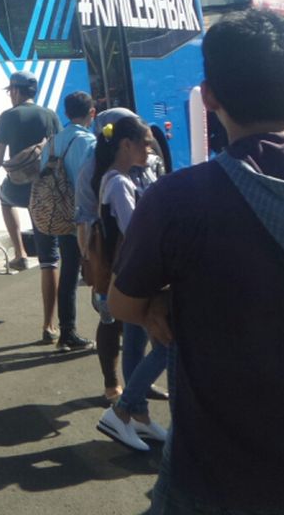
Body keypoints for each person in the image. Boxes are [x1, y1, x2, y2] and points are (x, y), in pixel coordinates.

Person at [111, 9, 284, 512]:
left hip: (212, 475)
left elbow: (121, 304)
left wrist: (159, 301)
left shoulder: (177, 200)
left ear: (208, 98)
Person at [89, 114, 169, 452]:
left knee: (137, 344)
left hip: (127, 275)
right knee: (167, 343)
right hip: (136, 274)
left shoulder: (118, 177)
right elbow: (135, 230)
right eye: (145, 143)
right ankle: (123, 410)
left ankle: (136, 414)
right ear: (126, 145)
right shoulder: (120, 183)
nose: (150, 148)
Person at [0, 70, 60, 314]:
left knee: (5, 200)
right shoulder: (49, 115)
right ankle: (51, 322)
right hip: (44, 187)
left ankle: (20, 252)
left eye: (10, 91)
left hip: (18, 186)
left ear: (15, 91)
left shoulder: (8, 116)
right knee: (49, 258)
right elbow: (58, 151)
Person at [33, 91, 97, 352]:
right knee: (100, 270)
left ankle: (67, 330)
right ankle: (112, 323)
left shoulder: (52, 142)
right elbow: (93, 181)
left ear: (67, 113)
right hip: (84, 216)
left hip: (59, 215)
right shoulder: (88, 142)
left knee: (69, 273)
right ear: (91, 113)